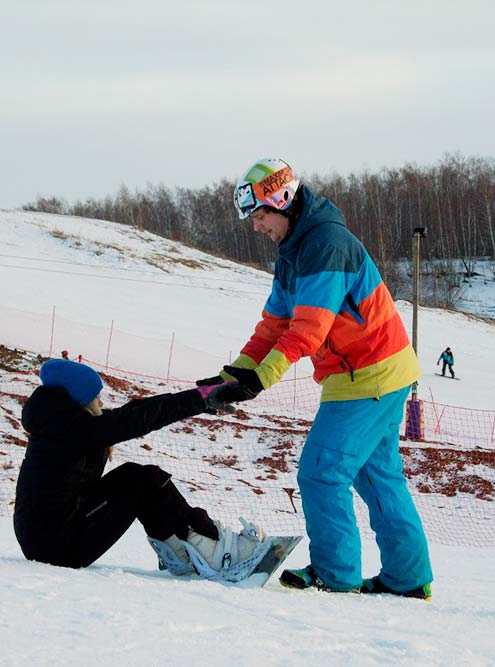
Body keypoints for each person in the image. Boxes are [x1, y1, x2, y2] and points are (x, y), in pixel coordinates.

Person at [197, 158, 433, 599]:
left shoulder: (326, 245)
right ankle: (408, 579)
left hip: (369, 375)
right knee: (378, 478)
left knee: (321, 473)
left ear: (281, 201)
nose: (256, 226)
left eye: (260, 215)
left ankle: (336, 574)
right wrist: (231, 375)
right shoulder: (294, 253)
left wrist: (258, 381)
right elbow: (273, 326)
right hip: (371, 373)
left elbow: (308, 330)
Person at [14, 358, 268, 581]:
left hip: (47, 539)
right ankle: (212, 552)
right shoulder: (71, 429)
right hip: (56, 546)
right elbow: (136, 420)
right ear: (79, 400)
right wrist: (199, 399)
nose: (101, 400)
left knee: (138, 478)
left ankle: (181, 553)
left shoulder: (60, 424)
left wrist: (199, 399)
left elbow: (133, 411)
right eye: (95, 395)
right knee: (140, 480)